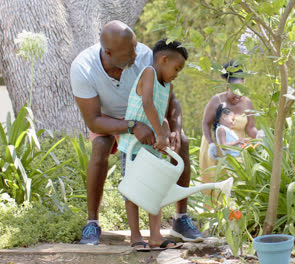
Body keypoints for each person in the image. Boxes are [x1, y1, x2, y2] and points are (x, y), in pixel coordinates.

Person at [70, 21, 203, 247]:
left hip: (146, 124)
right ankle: (92, 223)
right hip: (109, 121)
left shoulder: (144, 56)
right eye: (130, 50)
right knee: (101, 146)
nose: (136, 52)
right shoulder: (83, 67)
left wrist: (174, 129)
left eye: (135, 46)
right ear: (108, 53)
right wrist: (132, 126)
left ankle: (180, 219)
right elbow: (93, 121)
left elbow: (169, 100)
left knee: (182, 143)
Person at [117, 39, 189, 250]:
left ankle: (156, 236)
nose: (176, 74)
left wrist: (165, 134)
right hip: (134, 145)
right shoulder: (148, 72)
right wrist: (160, 133)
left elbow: (162, 115)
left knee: (154, 191)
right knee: (132, 191)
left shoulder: (168, 86)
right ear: (163, 59)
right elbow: (147, 103)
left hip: (152, 147)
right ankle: (135, 236)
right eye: (176, 68)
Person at [199, 61, 258, 194]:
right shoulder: (217, 100)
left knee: (237, 188)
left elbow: (250, 127)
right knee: (216, 188)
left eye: (241, 90)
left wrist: (258, 138)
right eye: (234, 90)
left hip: (236, 151)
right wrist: (211, 144)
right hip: (215, 149)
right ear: (227, 87)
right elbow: (205, 123)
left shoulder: (247, 103)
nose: (238, 94)